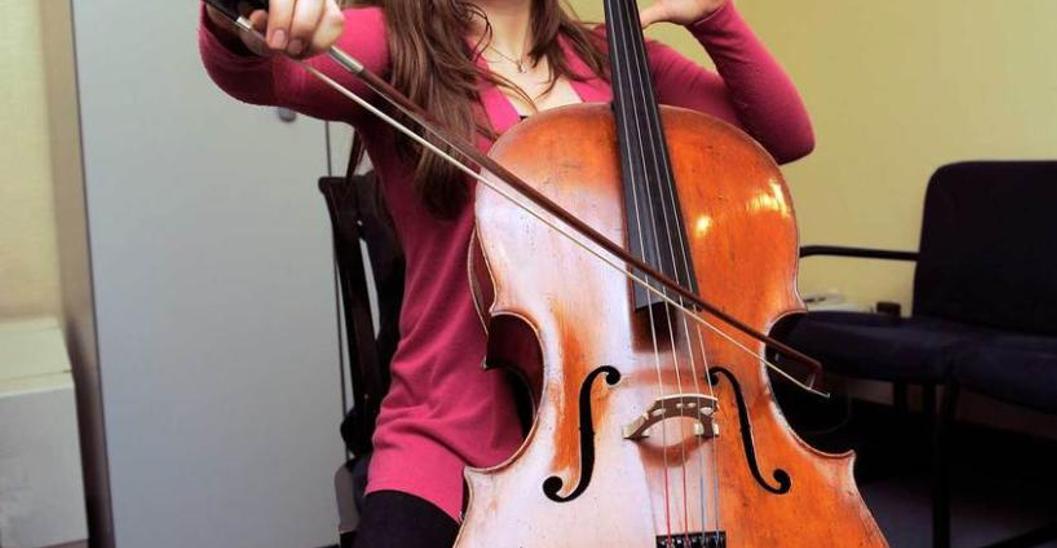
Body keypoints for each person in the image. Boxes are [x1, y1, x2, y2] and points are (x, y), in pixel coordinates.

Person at [199, 0, 813, 545]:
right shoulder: (395, 43)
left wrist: (715, 16)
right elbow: (255, 70)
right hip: (450, 431)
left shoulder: (612, 56)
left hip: (635, 422)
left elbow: (782, 136)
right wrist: (253, 19)